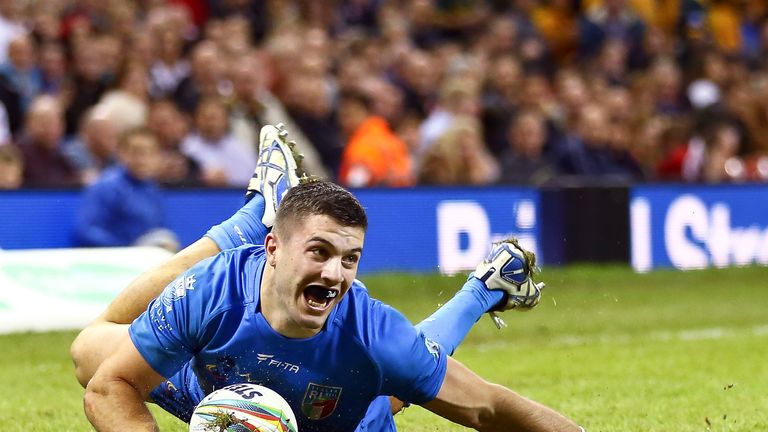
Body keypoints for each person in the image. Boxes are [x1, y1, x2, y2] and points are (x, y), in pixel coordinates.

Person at [73, 124, 583, 432]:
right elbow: (108, 387)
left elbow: (490, 408)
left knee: (397, 381)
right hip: (216, 392)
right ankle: (245, 225)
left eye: (350, 258)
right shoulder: (212, 291)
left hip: (342, 420)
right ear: (272, 249)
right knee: (88, 353)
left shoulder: (373, 334)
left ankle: (487, 285)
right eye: (318, 251)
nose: (334, 274)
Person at [74, 128, 179, 252]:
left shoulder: (152, 189)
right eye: (136, 152)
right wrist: (127, 248)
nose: (143, 159)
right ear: (121, 153)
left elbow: (157, 228)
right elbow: (85, 231)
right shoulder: (106, 186)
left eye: (150, 153)